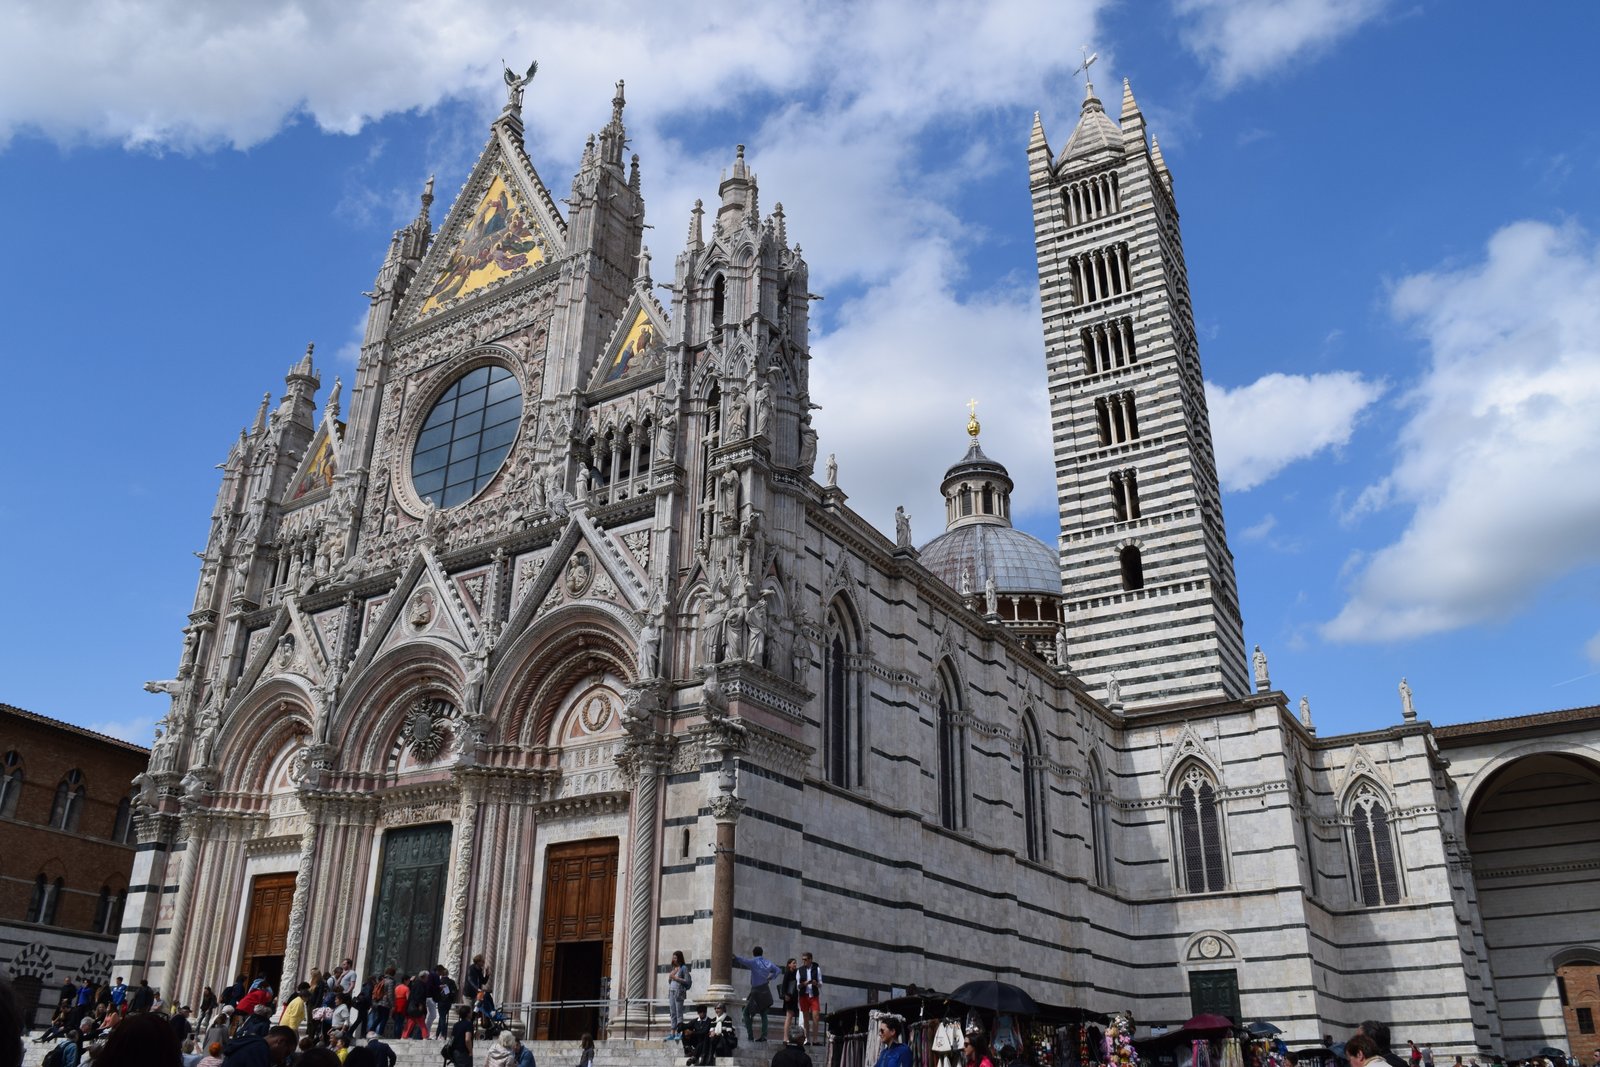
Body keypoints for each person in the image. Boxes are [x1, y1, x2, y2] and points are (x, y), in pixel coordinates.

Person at [732, 946, 781, 1043]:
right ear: (762, 953)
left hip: (755, 991)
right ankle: (764, 1036)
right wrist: (771, 978)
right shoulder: (768, 963)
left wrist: (735, 957)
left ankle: (750, 1036)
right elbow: (778, 970)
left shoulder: (754, 962)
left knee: (746, 1012)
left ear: (754, 953)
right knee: (764, 1014)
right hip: (765, 990)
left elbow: (743, 960)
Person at [220, 1024, 297, 1067]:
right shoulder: (260, 1050)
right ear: (280, 1041)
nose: (283, 1059)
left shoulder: (250, 1044)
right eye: (286, 1053)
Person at [796, 954, 823, 1045]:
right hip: (804, 995)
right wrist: (805, 983)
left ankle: (815, 1039)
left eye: (806, 959)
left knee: (816, 1017)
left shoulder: (816, 968)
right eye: (803, 959)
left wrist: (816, 983)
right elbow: (798, 986)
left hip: (814, 995)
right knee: (806, 1018)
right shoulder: (800, 970)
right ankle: (807, 1039)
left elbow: (821, 984)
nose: (804, 961)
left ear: (810, 959)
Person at [667, 951, 691, 1037]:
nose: (674, 959)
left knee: (679, 1012)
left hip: (679, 992)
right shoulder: (673, 968)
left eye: (675, 958)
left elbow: (687, 981)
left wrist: (676, 978)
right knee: (672, 1012)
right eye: (673, 958)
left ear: (679, 958)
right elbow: (670, 982)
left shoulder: (683, 968)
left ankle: (679, 1032)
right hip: (671, 992)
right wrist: (671, 977)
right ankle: (672, 1032)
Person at [400, 972, 429, 1039]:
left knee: (411, 1021)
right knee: (421, 1021)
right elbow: (418, 996)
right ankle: (425, 1036)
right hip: (417, 1006)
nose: (428, 978)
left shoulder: (416, 984)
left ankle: (404, 1036)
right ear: (424, 977)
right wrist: (420, 1004)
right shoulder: (420, 985)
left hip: (412, 1007)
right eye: (427, 977)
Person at [779, 960, 800, 1044]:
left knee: (790, 1017)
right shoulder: (787, 973)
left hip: (794, 997)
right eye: (793, 963)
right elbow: (784, 985)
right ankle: (785, 1038)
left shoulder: (796, 973)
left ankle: (788, 1037)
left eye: (795, 963)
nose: (795, 964)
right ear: (789, 964)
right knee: (788, 1017)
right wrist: (785, 996)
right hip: (788, 997)